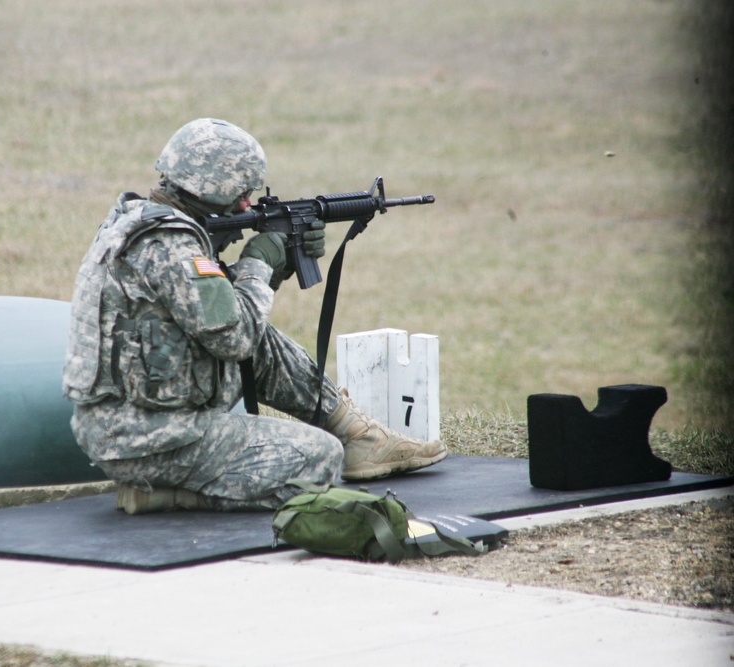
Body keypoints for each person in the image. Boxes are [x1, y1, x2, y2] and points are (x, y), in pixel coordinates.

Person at [63, 118, 447, 514]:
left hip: (135, 423)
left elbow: (209, 309)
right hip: (149, 440)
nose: (247, 204)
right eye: (242, 192)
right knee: (319, 458)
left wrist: (276, 267)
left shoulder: (139, 221)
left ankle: (360, 436)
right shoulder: (172, 245)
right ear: (212, 185)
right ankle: (162, 495)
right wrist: (258, 264)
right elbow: (235, 336)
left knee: (263, 337)